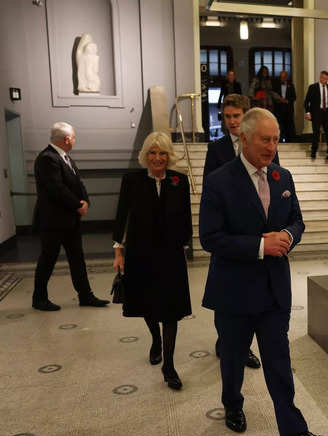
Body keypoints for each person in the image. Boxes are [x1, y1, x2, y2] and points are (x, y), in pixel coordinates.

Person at [199, 107, 328, 436]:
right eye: (265, 139)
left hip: (274, 291)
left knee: (279, 362)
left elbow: (297, 220)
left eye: (275, 139)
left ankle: (292, 431)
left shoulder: (282, 177)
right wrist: (261, 245)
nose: (272, 146)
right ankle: (232, 404)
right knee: (232, 359)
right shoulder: (219, 180)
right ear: (244, 138)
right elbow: (210, 238)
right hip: (234, 292)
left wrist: (289, 235)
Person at [112, 132, 193, 391]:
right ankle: (155, 340)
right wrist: (118, 251)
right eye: (152, 153)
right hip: (140, 253)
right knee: (147, 305)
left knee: (171, 311)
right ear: (145, 155)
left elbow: (186, 219)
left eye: (162, 153)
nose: (157, 158)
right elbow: (121, 215)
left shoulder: (179, 181)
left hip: (170, 255)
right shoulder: (132, 181)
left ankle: (168, 365)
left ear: (169, 156)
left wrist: (184, 244)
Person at [204, 93, 270, 369]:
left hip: (253, 233)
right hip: (226, 236)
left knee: (253, 298)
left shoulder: (260, 145)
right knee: (226, 298)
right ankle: (226, 341)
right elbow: (210, 186)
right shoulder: (216, 149)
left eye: (236, 116)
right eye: (227, 116)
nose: (232, 121)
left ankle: (244, 348)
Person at [32, 122, 109, 311]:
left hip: (70, 220)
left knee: (77, 258)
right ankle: (39, 299)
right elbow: (56, 188)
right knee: (48, 259)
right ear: (67, 139)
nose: (75, 140)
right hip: (53, 221)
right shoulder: (47, 158)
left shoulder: (65, 157)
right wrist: (77, 205)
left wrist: (85, 201)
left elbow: (77, 182)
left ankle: (86, 296)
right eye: (74, 137)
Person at [304, 70, 328, 162]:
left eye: (326, 79)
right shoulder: (313, 87)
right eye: (323, 78)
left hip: (327, 114)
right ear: (320, 77)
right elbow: (306, 101)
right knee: (316, 133)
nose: (325, 80)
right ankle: (313, 152)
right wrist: (308, 113)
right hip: (316, 113)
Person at [273, 70, 296, 141]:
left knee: (289, 124)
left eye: (284, 77)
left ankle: (290, 139)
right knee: (279, 124)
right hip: (279, 108)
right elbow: (272, 96)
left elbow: (294, 97)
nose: (283, 78)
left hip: (288, 108)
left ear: (287, 77)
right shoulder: (276, 85)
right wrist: (280, 100)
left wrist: (287, 101)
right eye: (282, 77)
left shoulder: (291, 85)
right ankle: (280, 139)